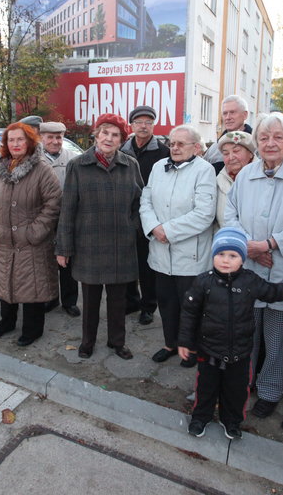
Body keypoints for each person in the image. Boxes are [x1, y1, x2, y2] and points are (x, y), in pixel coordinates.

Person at [225, 112, 283, 419]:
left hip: (282, 269)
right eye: (264, 137)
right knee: (244, 333)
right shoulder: (247, 174)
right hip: (248, 267)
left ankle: (270, 391)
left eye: (278, 137)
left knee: (276, 339)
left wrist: (268, 245)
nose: (270, 143)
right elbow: (230, 215)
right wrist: (248, 246)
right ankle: (243, 383)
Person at [179, 227, 283, 440]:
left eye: (233, 255)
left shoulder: (250, 281)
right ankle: (200, 418)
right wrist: (184, 342)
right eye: (220, 254)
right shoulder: (203, 282)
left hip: (240, 352)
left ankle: (231, 421)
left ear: (243, 259)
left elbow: (273, 292)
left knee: (236, 391)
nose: (225, 260)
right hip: (209, 350)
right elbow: (189, 314)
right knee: (206, 388)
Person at [56, 113, 143, 360]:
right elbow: (68, 209)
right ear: (96, 135)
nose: (109, 138)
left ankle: (117, 342)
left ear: (121, 140)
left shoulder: (130, 165)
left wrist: (131, 225)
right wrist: (63, 248)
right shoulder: (78, 165)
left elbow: (140, 202)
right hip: (89, 245)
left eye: (115, 135)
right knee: (90, 301)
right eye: (105, 133)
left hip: (120, 245)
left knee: (118, 302)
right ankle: (87, 342)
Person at [140, 125, 216, 368]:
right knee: (166, 301)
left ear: (196, 147)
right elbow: (145, 200)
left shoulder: (204, 171)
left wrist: (168, 231)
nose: (174, 148)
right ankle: (170, 343)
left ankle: (192, 346)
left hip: (190, 255)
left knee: (190, 305)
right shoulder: (158, 167)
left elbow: (204, 214)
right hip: (161, 251)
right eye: (172, 143)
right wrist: (154, 227)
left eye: (181, 144)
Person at [0, 122, 61, 346]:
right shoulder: (0, 168)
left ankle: (33, 330)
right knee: (5, 283)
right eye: (11, 140)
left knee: (32, 287)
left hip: (31, 242)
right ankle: (6, 322)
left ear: (29, 141)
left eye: (20, 139)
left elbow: (54, 203)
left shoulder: (42, 169)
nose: (15, 144)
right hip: (4, 239)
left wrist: (34, 232)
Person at [119, 105, 169, 325]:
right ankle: (131, 300)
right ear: (132, 125)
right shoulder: (122, 149)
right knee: (127, 260)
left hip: (151, 216)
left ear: (153, 125)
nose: (143, 126)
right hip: (126, 214)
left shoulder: (163, 152)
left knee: (147, 264)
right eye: (139, 122)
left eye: (148, 122)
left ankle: (148, 306)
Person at [39, 121, 81, 317]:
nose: (55, 142)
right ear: (41, 138)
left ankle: (69, 301)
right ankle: (51, 298)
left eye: (59, 137)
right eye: (50, 137)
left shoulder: (73, 159)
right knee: (46, 261)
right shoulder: (34, 159)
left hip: (67, 218)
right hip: (43, 218)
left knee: (67, 260)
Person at [213, 130, 256, 229]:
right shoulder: (218, 180)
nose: (231, 157)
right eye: (226, 153)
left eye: (236, 151)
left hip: (257, 242)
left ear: (250, 153)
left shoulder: (265, 177)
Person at [203, 95, 254, 168]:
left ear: (245, 115)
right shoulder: (214, 149)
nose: (228, 117)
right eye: (225, 113)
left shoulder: (257, 144)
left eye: (232, 112)